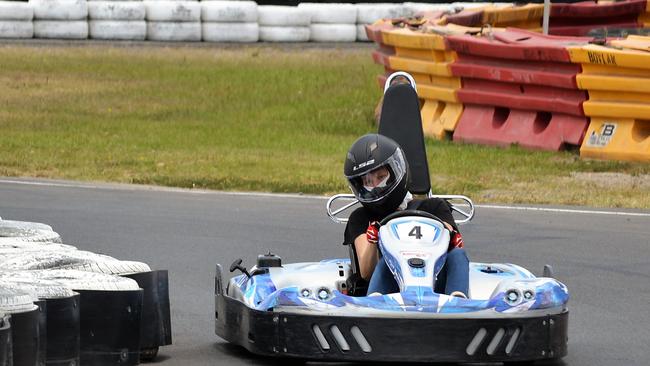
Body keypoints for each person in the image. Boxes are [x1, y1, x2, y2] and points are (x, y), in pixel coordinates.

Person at [342, 134, 469, 297]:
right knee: (389, 260)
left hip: (435, 285)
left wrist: (450, 234)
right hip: (387, 291)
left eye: (381, 177)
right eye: (368, 182)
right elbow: (366, 272)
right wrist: (373, 240)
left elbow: (455, 243)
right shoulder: (361, 217)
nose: (375, 186)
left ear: (396, 171)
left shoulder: (433, 206)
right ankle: (374, 307)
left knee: (458, 254)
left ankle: (457, 304)